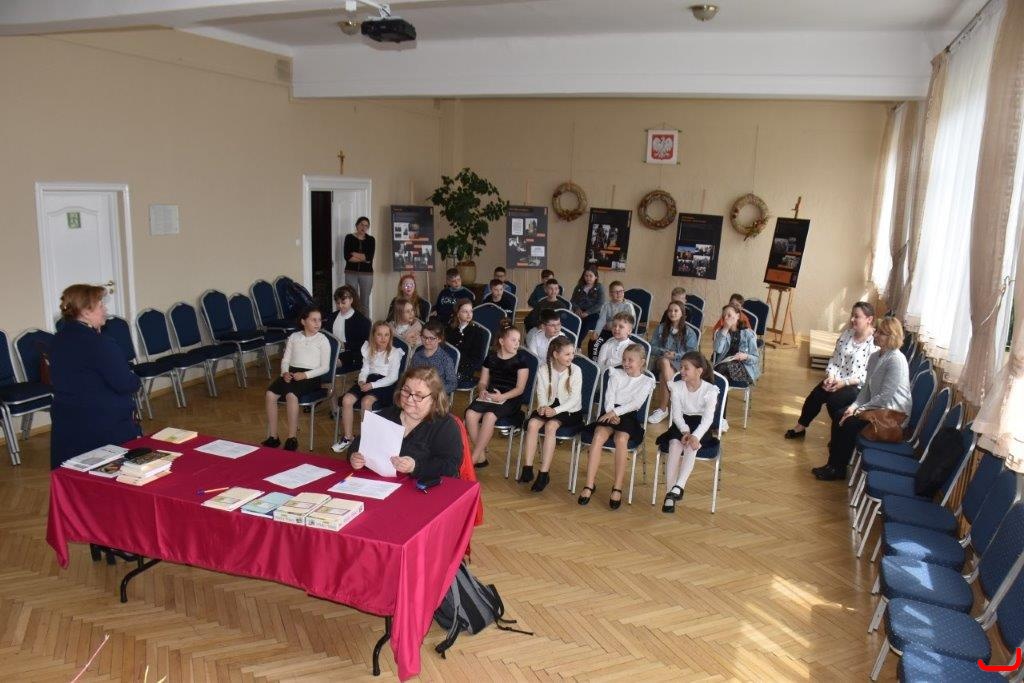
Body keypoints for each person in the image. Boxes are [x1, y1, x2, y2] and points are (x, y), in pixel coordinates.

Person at [49, 284, 142, 469]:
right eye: (100, 305)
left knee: (76, 475)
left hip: (67, 421)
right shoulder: (100, 343)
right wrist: (135, 378)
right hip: (102, 424)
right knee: (110, 477)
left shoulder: (57, 339)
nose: (105, 309)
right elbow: (125, 383)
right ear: (85, 312)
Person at [812, 317, 911, 481]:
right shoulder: (875, 356)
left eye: (881, 333)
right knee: (840, 414)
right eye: (877, 331)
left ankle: (838, 468)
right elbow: (866, 389)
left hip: (892, 415)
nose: (875, 335)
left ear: (892, 337)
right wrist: (853, 407)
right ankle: (833, 464)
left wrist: (859, 410)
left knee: (850, 423)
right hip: (877, 408)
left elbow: (885, 396)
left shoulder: (896, 360)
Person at [577, 344, 656, 509]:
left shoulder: (647, 381)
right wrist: (610, 413)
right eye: (624, 359)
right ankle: (589, 484)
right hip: (609, 412)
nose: (626, 363)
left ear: (642, 362)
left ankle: (617, 487)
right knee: (598, 436)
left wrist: (616, 413)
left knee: (621, 439)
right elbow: (609, 397)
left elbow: (636, 404)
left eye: (630, 360)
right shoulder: (615, 374)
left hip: (628, 415)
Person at [348, 366, 462, 480]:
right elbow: (357, 446)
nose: (409, 399)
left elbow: (451, 467)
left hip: (423, 486)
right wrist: (354, 457)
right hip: (382, 484)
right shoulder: (384, 417)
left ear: (434, 398)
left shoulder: (445, 426)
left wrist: (415, 467)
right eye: (406, 391)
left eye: (418, 395)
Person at [785, 302, 877, 439]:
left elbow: (868, 375)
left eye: (856, 316)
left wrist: (843, 383)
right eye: (852, 315)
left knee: (834, 402)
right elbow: (834, 359)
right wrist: (831, 376)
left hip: (856, 386)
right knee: (816, 395)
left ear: (869, 319)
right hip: (837, 379)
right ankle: (800, 428)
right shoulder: (847, 334)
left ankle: (838, 436)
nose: (852, 319)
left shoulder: (874, 343)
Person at [655, 352, 720, 512]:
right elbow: (676, 415)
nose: (681, 371)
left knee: (691, 446)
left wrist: (694, 436)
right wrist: (685, 431)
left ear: (699, 371)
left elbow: (707, 419)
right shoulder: (677, 387)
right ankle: (671, 493)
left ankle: (679, 486)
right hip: (681, 423)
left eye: (686, 368)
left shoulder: (710, 390)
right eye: (681, 367)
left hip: (701, 426)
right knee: (674, 445)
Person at [262, 306, 331, 451]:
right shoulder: (294, 337)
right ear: (303, 321)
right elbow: (286, 359)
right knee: (270, 394)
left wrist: (305, 375)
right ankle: (273, 436)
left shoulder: (322, 340)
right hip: (292, 373)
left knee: (291, 395)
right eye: (313, 320)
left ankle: (291, 437)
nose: (317, 323)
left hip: (311, 376)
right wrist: (285, 372)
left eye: (319, 320)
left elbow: (325, 367)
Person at [518, 337, 582, 492]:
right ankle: (528, 468)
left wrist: (555, 411)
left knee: (551, 426)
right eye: (567, 354)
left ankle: (544, 473)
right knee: (532, 424)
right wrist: (542, 407)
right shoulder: (543, 369)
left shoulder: (576, 370)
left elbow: (574, 400)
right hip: (550, 405)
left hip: (569, 410)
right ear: (555, 354)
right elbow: (541, 393)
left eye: (572, 353)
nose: (571, 357)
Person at [333, 321, 406, 452]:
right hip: (368, 380)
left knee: (366, 402)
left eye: (386, 335)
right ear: (373, 336)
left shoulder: (395, 353)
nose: (383, 338)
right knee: (346, 400)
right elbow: (365, 369)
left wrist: (372, 385)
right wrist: (361, 380)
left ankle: (366, 441)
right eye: (379, 335)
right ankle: (348, 437)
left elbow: (392, 377)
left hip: (385, 384)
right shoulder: (368, 349)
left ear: (390, 336)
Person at [464, 326, 530, 467]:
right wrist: (482, 390)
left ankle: (474, 457)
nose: (517, 343)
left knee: (489, 416)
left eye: (518, 340)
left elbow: (520, 389)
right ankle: (481, 456)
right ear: (501, 341)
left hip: (510, 398)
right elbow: (482, 382)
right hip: (491, 395)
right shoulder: (491, 358)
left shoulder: (521, 360)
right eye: (513, 340)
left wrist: (502, 397)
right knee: (470, 414)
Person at [647, 302, 700, 423]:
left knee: (663, 375)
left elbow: (692, 353)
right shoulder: (661, 328)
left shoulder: (689, 332)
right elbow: (652, 347)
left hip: (680, 363)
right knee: (665, 361)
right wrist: (664, 352)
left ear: (682, 314)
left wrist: (675, 355)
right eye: (670, 311)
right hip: (660, 360)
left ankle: (663, 409)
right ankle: (674, 394)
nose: (672, 313)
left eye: (676, 311)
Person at [324, 285, 370, 376]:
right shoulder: (332, 317)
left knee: (330, 363)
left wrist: (344, 345)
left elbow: (365, 343)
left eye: (343, 303)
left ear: (351, 300)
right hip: (334, 351)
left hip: (352, 354)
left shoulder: (362, 320)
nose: (340, 306)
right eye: (338, 303)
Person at [712, 304, 760, 384]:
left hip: (743, 368)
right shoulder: (721, 332)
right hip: (725, 365)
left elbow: (756, 359)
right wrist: (725, 329)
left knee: (719, 371)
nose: (726, 318)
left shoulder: (748, 334)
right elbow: (717, 350)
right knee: (721, 373)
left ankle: (718, 388)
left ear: (737, 316)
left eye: (729, 315)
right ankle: (720, 389)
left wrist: (745, 356)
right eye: (724, 316)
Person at [409, 320, 457, 395]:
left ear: (439, 339)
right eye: (424, 337)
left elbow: (452, 384)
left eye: (431, 338)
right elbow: (411, 375)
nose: (427, 341)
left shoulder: (446, 359)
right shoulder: (416, 356)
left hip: (436, 395)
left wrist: (434, 391)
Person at [448, 299, 489, 386]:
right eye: (465, 311)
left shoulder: (477, 332)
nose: (469, 314)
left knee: (446, 382)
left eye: (471, 311)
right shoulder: (449, 329)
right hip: (449, 365)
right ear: (457, 313)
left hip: (466, 368)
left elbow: (477, 359)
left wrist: (460, 367)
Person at [589, 280, 633, 359]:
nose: (619, 294)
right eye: (615, 292)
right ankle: (594, 362)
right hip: (607, 332)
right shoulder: (606, 305)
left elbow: (631, 322)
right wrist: (597, 332)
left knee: (610, 346)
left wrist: (612, 325)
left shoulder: (628, 306)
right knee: (593, 342)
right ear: (610, 294)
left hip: (621, 332)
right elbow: (602, 320)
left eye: (621, 291)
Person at [343, 216, 375, 315]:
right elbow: (347, 257)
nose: (363, 227)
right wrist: (363, 258)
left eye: (366, 226)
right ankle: (353, 322)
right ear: (357, 225)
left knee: (365, 302)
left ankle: (365, 323)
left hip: (366, 274)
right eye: (361, 225)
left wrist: (354, 254)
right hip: (351, 273)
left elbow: (369, 257)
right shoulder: (349, 237)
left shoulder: (371, 240)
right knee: (351, 300)